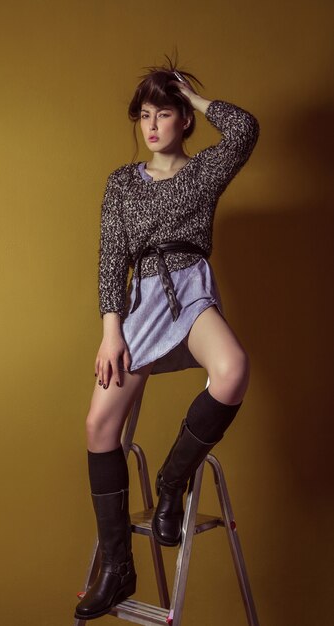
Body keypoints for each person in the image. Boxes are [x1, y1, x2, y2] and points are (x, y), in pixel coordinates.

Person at [74, 59, 259, 621]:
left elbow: (246, 129)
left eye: (164, 113)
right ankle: (116, 566)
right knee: (98, 426)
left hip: (191, 288)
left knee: (232, 370)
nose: (151, 126)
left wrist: (196, 97)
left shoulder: (205, 172)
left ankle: (172, 482)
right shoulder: (123, 183)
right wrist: (112, 331)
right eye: (145, 116)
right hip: (141, 300)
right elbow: (111, 257)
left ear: (182, 120)